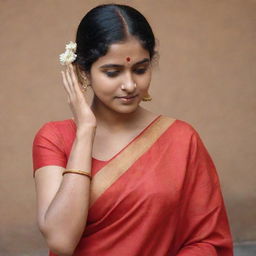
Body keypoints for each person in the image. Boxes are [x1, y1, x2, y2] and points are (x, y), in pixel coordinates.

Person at [32, 4, 233, 256]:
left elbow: (208, 241)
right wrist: (85, 131)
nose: (129, 85)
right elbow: (61, 240)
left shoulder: (182, 139)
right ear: (84, 72)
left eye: (140, 69)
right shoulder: (54, 138)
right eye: (112, 72)